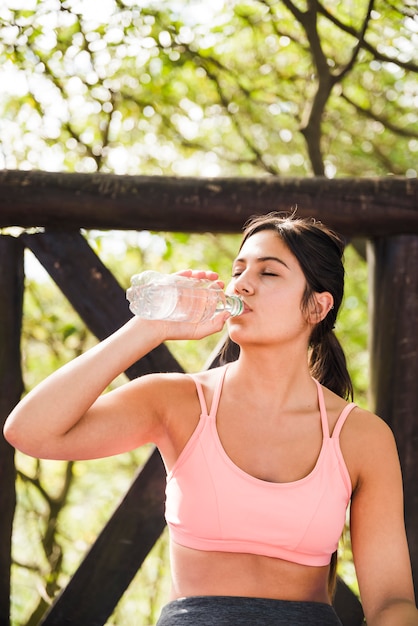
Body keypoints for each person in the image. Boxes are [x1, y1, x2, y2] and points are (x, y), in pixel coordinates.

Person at [4, 212, 418, 626]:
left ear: (317, 306)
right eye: (239, 270)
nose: (242, 283)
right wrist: (147, 328)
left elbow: (392, 602)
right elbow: (30, 432)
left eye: (269, 273)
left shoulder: (361, 436)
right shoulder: (177, 400)